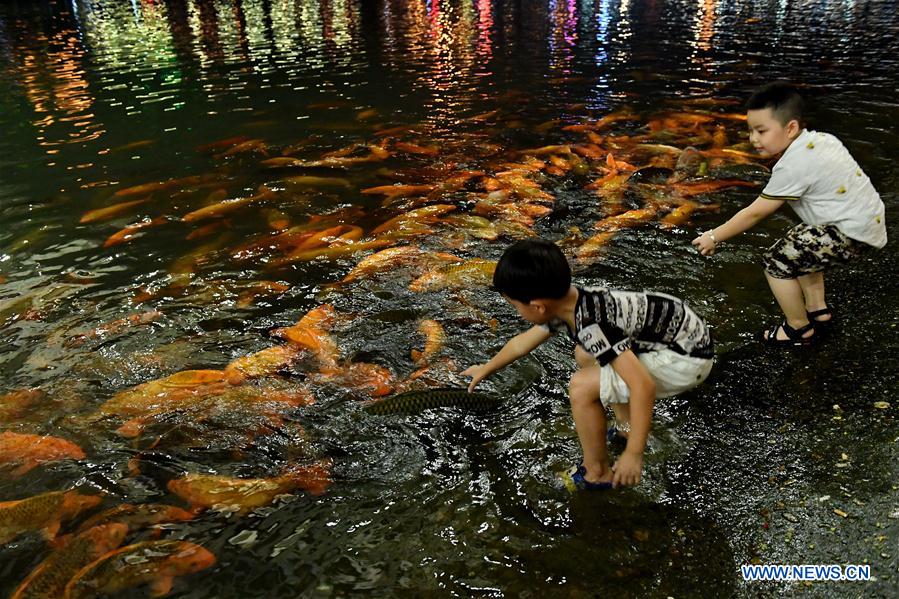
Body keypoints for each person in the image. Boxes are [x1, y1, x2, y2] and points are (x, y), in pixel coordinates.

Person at [463, 238, 714, 490]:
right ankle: (626, 427)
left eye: (515, 306)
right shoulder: (572, 302)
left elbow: (643, 386)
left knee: (581, 388)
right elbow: (522, 343)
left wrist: (634, 455)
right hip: (682, 339)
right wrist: (487, 368)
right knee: (585, 355)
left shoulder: (592, 325)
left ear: (538, 307)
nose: (517, 312)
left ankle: (597, 472)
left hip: (686, 360)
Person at [692, 82, 887, 346]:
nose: (753, 139)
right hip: (866, 221)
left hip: (849, 233)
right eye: (750, 131)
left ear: (791, 128)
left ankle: (798, 328)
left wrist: (714, 236)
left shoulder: (792, 165)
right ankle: (818, 310)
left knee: (776, 263)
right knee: (800, 243)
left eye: (761, 131)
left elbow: (755, 213)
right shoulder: (822, 140)